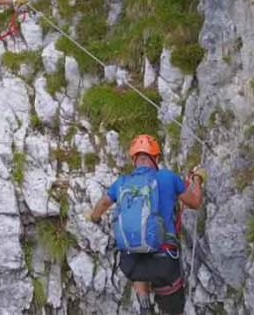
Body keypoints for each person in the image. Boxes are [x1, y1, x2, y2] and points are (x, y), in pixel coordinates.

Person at [86, 134, 207, 315]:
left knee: (136, 250)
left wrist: (94, 218)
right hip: (164, 262)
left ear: (134, 159)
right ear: (156, 158)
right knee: (173, 307)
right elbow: (195, 202)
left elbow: (103, 204)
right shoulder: (167, 177)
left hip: (131, 265)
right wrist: (198, 179)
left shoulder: (122, 182)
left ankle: (144, 304)